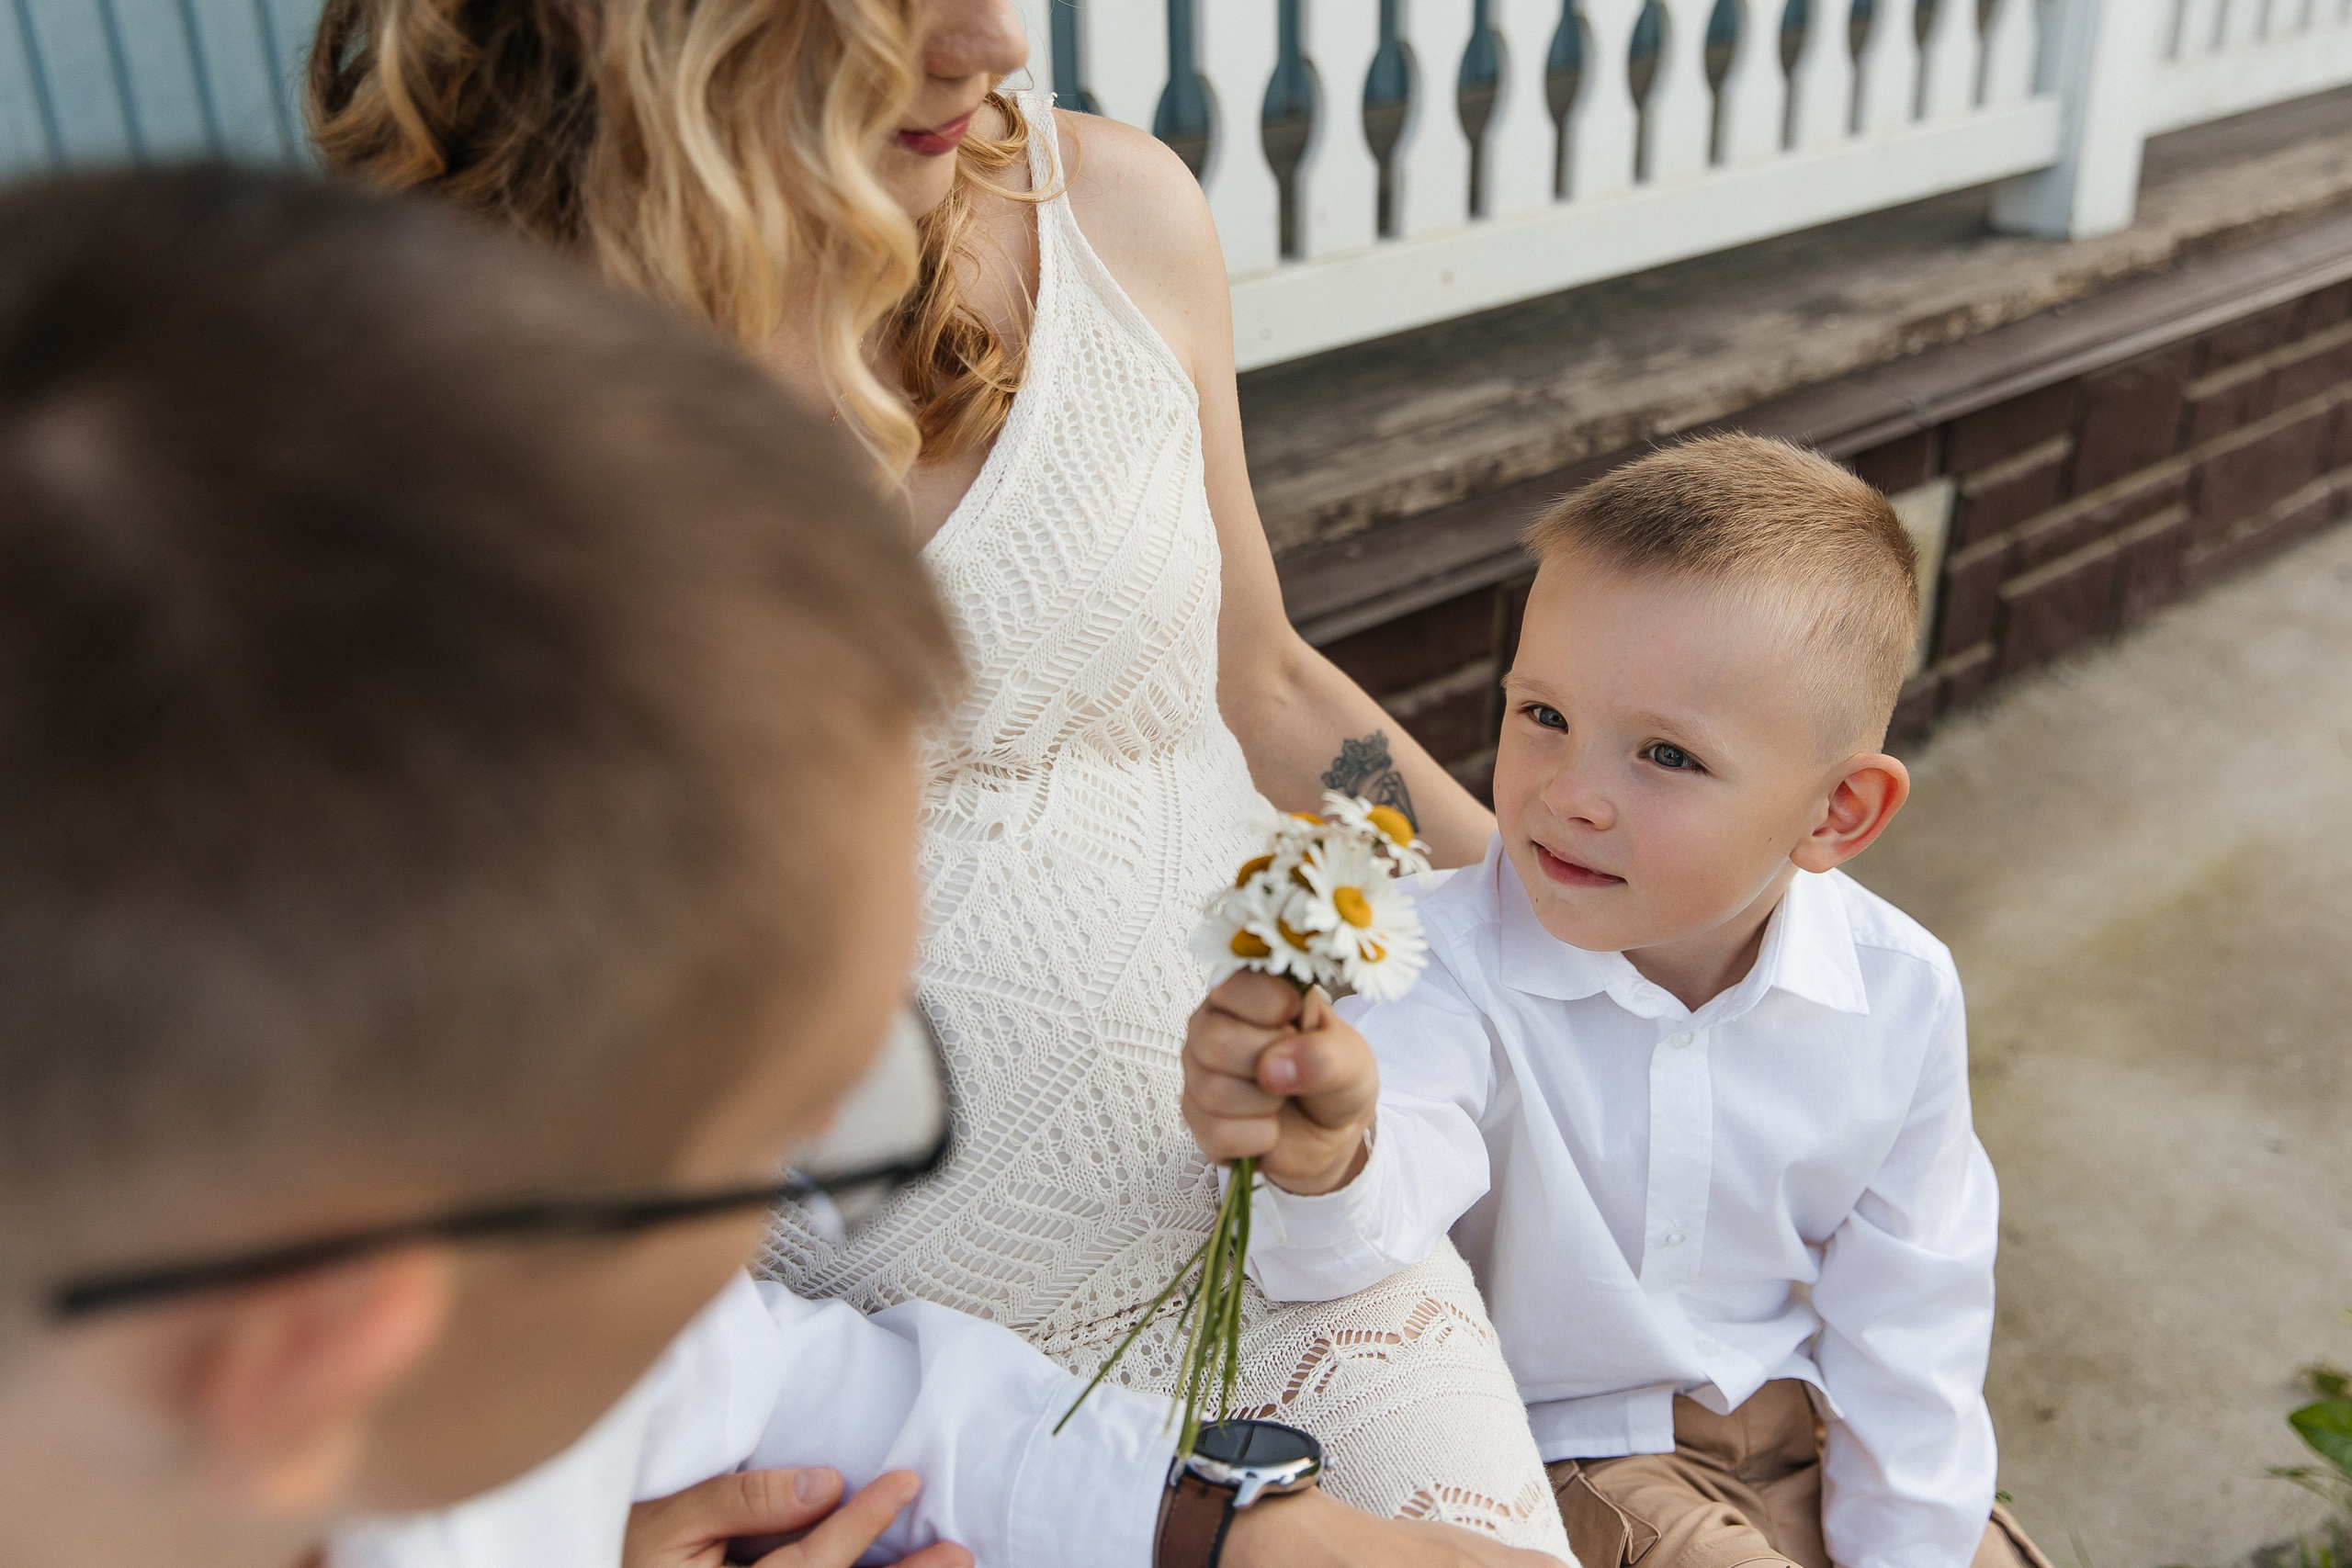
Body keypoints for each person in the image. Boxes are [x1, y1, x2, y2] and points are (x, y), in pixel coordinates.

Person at [0, 164, 1563, 1568]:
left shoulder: (475, 1328)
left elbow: (778, 1372)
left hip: (1273, 1227)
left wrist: (1222, 1528)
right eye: (799, 1128)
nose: (988, 40)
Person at [1180, 438, 2057, 1568]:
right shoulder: (1445, 961)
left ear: (1836, 812)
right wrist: (1325, 1156)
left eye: (1663, 754)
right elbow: (1354, 1236)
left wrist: (1916, 1547)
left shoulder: (1898, 990)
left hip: (1821, 1420)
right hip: (1597, 1453)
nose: (1568, 795)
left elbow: (1916, 1307)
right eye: (1541, 714)